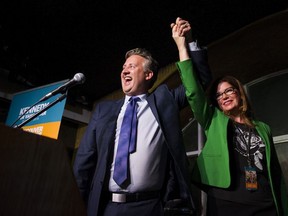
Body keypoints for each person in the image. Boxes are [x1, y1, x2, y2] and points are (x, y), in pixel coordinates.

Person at [73, 21, 212, 216]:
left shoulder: (165, 101)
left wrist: (186, 44)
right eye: (123, 66)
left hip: (151, 207)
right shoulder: (103, 110)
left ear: (148, 74)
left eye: (131, 66)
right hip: (107, 207)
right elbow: (84, 161)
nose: (124, 70)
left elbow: (199, 83)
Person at [171, 18, 288, 215]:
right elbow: (193, 91)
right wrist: (184, 46)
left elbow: (275, 174)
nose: (223, 96)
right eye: (218, 95)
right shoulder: (213, 119)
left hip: (266, 202)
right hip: (227, 202)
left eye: (228, 91)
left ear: (239, 93)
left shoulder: (263, 128)